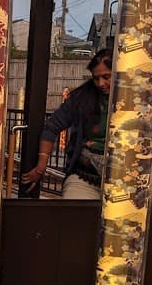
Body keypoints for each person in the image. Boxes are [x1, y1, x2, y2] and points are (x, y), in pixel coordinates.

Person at [21, 49, 112, 199]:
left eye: (106, 77)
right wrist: (41, 166)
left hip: (124, 181)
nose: (101, 83)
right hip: (85, 177)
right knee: (73, 214)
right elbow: (52, 127)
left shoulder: (135, 100)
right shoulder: (81, 98)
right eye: (96, 78)